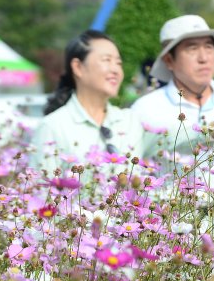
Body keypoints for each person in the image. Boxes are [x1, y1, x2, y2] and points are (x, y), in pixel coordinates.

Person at [131, 15, 214, 199]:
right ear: (169, 60)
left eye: (209, 47)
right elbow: (134, 173)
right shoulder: (146, 109)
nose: (203, 58)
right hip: (171, 220)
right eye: (192, 48)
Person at [30, 30, 145, 174]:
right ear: (78, 67)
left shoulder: (130, 121)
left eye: (119, 63)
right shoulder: (53, 126)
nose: (116, 69)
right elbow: (41, 191)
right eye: (106, 60)